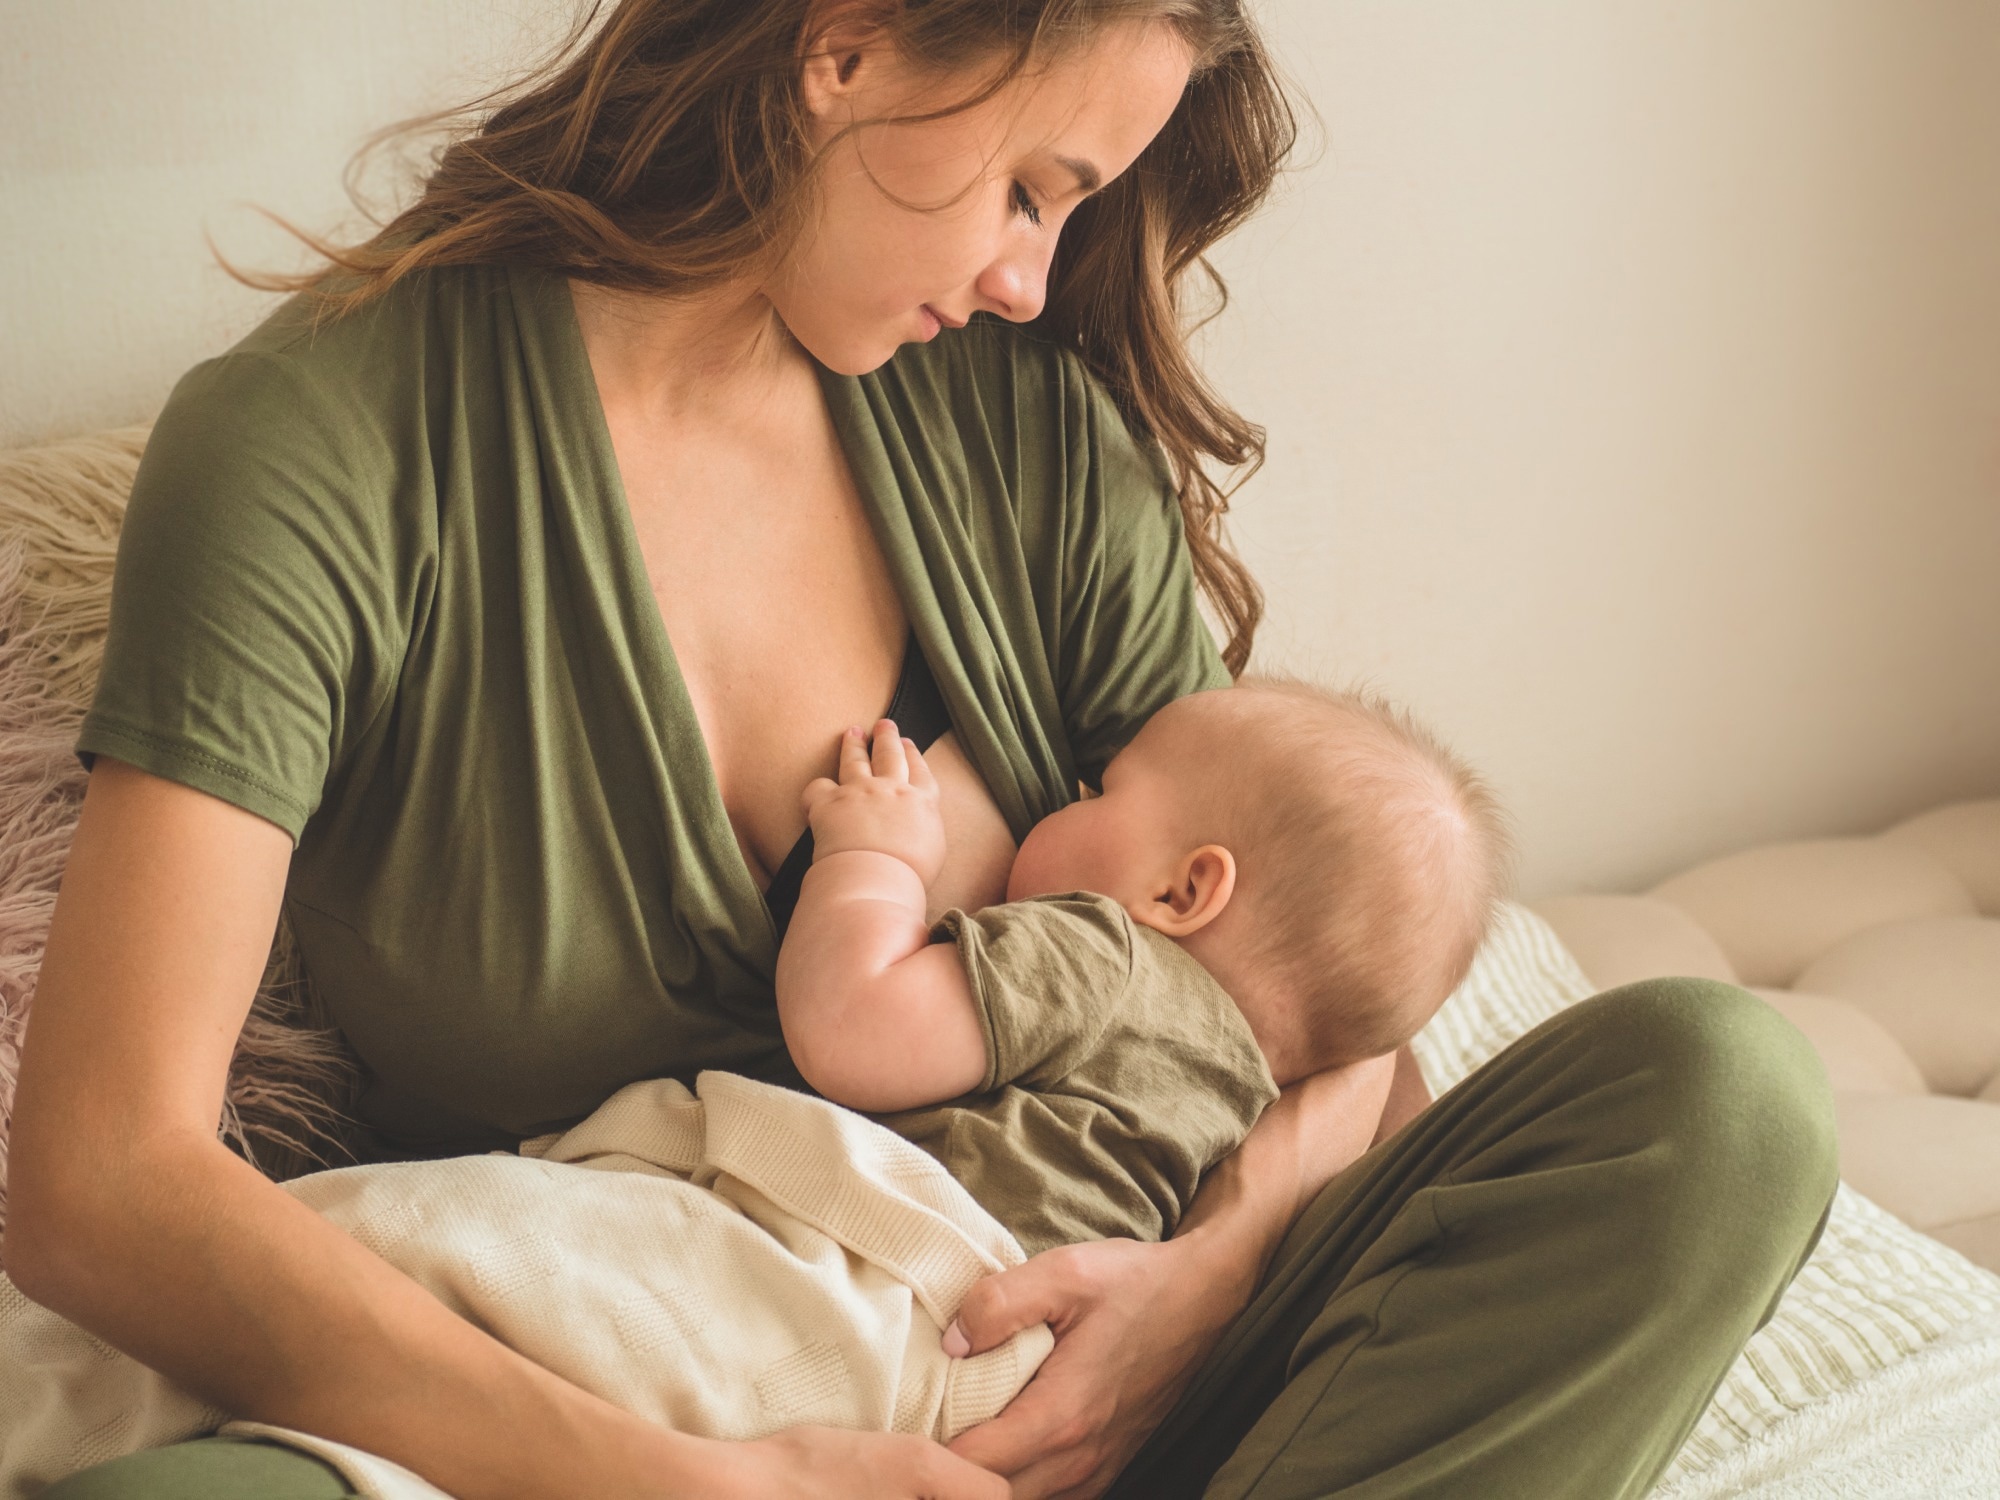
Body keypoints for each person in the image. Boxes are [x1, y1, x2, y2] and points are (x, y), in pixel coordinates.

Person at [6, 3, 1837, 1498]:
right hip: (581, 1414)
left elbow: (1314, 1018)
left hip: (1061, 1388)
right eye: (1034, 187)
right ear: (847, 48)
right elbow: (101, 1177)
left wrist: (1192, 1297)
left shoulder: (1026, 441)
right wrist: (691, 1492)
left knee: (1716, 1091)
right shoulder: (321, 449)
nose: (1038, 283)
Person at [782, 682, 1512, 1260]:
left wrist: (875, 857)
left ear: (1180, 894)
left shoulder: (1102, 956)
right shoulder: (1240, 1105)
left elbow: (848, 1029)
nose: (1073, 795)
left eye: (1101, 789)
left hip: (885, 1280)